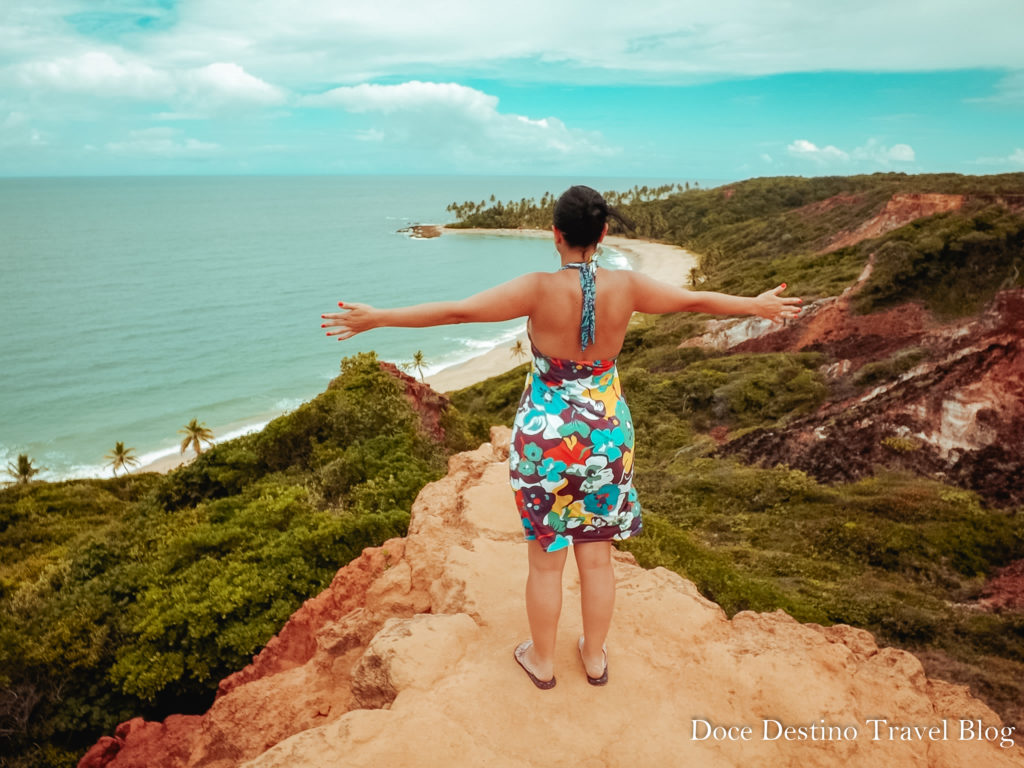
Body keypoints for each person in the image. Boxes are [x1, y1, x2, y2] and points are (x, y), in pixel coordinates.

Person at [320, 185, 802, 691]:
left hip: (545, 444)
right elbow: (697, 300)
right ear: (603, 233)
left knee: (546, 565)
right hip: (608, 439)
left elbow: (458, 312)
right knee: (597, 557)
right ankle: (594, 658)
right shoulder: (629, 287)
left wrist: (378, 318)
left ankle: (543, 661)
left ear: (556, 234)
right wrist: (757, 305)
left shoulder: (536, 289)